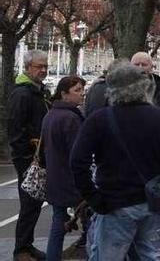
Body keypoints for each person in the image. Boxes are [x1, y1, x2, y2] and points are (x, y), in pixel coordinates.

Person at [70, 62, 160, 260]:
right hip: (154, 202)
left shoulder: (99, 120)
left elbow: (77, 162)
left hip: (114, 204)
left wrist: (93, 197)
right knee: (158, 256)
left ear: (111, 90)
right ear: (143, 87)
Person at [8, 49, 51, 261]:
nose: (43, 70)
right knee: (29, 205)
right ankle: (22, 250)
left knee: (33, 205)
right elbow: (16, 130)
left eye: (45, 66)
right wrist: (25, 158)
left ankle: (26, 246)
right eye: (39, 66)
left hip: (37, 157)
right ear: (27, 68)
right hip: (28, 159)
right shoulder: (23, 93)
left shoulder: (37, 91)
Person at [40, 75, 86, 261]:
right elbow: (78, 154)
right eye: (77, 91)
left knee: (58, 225)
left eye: (82, 90)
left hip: (55, 178)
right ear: (64, 94)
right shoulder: (71, 118)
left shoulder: (50, 115)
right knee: (90, 223)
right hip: (72, 181)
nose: (82, 94)